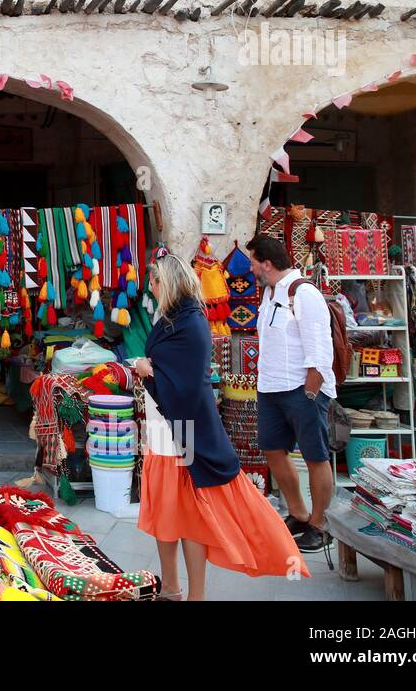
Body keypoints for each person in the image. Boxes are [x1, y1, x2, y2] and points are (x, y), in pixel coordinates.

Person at [133, 252, 306, 600]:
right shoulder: (170, 317)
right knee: (164, 512)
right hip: (163, 426)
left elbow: (190, 382)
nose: (150, 286)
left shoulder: (191, 321)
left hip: (184, 429)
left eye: (154, 280)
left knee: (189, 517)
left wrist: (148, 372)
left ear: (168, 282)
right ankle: (170, 588)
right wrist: (150, 370)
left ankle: (194, 595)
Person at [247, 235, 336, 553]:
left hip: (302, 389)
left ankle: (320, 523)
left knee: (315, 456)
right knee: (272, 450)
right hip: (271, 388)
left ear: (266, 263)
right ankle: (299, 513)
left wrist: (312, 392)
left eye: (254, 262)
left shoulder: (304, 293)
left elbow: (320, 347)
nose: (252, 267)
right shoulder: (270, 293)